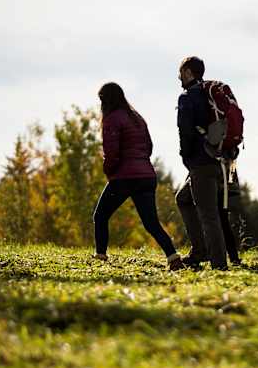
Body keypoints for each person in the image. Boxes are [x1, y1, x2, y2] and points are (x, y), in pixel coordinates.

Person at [93, 83, 184, 271]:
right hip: (146, 175)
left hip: (124, 177)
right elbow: (149, 147)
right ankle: (173, 257)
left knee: (100, 216)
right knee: (151, 223)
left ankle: (100, 256)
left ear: (105, 100)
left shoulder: (111, 119)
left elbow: (112, 153)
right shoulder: (137, 117)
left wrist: (110, 171)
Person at [176, 56, 235, 270]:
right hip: (218, 159)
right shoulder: (209, 93)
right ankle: (199, 251)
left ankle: (219, 265)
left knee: (209, 215)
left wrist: (185, 156)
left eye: (181, 72)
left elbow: (186, 131)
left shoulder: (188, 98)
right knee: (183, 198)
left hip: (201, 163)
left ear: (189, 73)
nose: (179, 77)